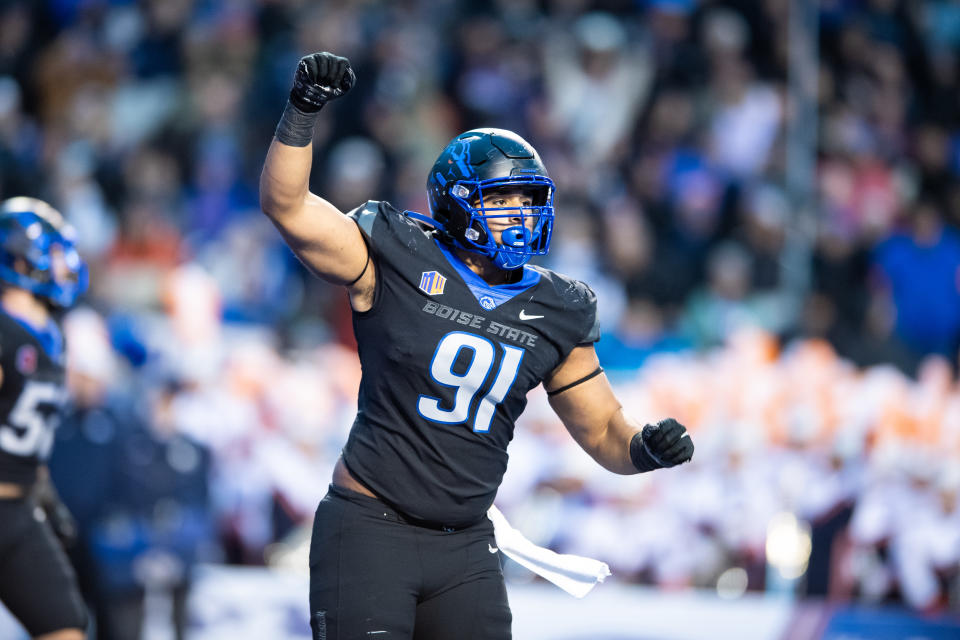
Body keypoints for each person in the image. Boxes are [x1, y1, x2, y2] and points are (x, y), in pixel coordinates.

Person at [260, 52, 695, 640]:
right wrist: (302, 112)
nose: (520, 214)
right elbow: (286, 206)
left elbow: (601, 431)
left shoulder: (558, 306)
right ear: (456, 200)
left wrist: (644, 447)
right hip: (370, 528)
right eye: (502, 199)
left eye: (528, 199)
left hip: (466, 544)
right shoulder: (395, 251)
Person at [0, 197, 89, 640]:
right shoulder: (4, 331)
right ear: (20, 256)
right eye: (55, 252)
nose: (65, 264)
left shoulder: (50, 336)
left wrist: (44, 493)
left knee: (66, 627)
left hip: (17, 511)